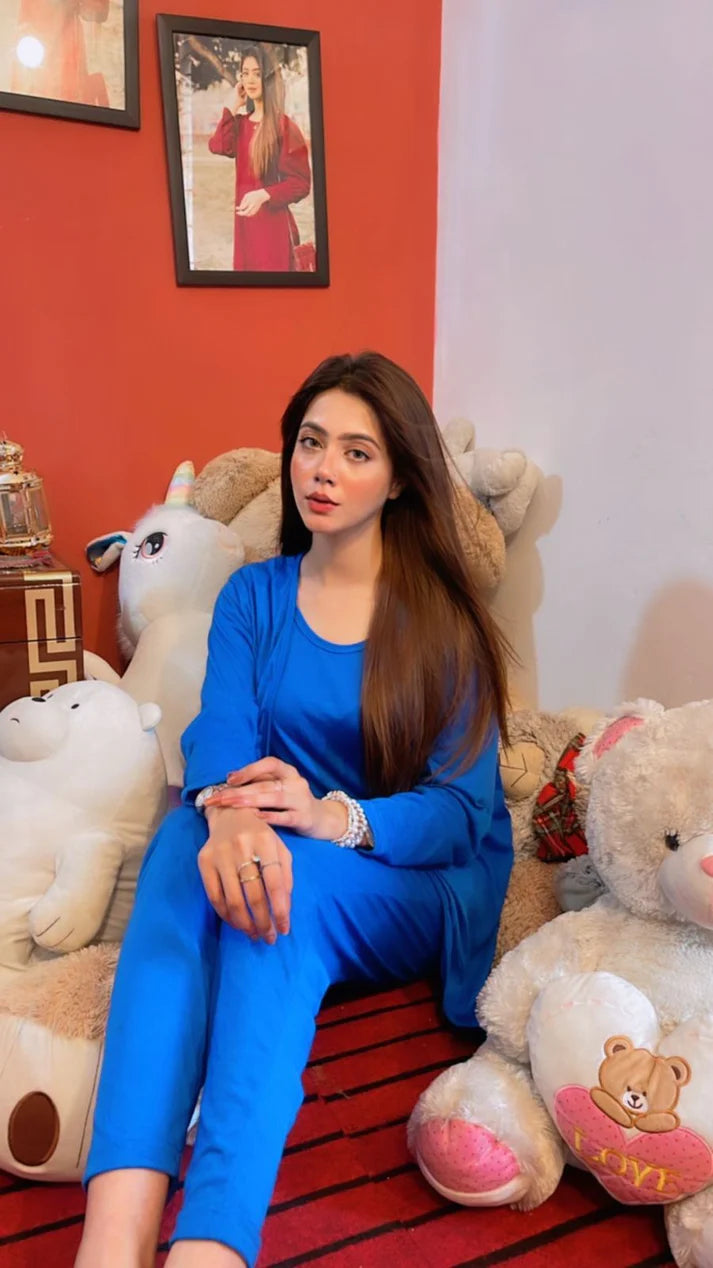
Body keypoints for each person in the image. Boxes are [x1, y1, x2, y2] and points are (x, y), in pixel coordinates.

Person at [74, 351, 514, 1268]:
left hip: (407, 870)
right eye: (311, 443)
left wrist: (330, 817)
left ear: (399, 479)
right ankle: (112, 1237)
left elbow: (458, 817)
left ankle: (210, 1245)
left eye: (357, 452)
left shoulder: (447, 625)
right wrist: (229, 813)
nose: (323, 469)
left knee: (282, 887)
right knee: (181, 844)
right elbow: (221, 726)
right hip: (276, 833)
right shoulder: (254, 594)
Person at [208, 44, 311, 272]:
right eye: (245, 73)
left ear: (267, 78)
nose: (250, 80)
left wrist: (264, 194)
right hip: (245, 231)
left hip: (273, 231)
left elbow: (302, 183)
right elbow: (217, 146)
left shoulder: (284, 127)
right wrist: (233, 105)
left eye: (257, 73)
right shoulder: (241, 125)